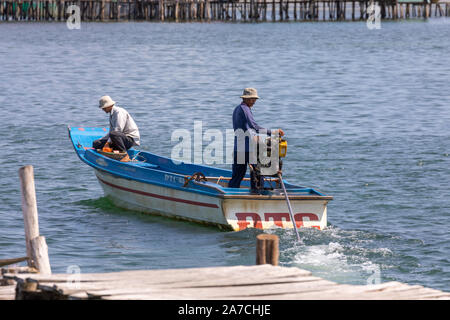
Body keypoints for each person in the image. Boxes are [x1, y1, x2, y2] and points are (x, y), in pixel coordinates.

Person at [228, 88, 284, 191]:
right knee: (258, 173)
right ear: (247, 99)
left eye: (255, 99)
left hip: (239, 147)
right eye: (253, 99)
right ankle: (258, 194)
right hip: (248, 148)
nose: (254, 102)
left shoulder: (237, 109)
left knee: (237, 175)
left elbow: (247, 129)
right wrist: (274, 132)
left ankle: (230, 192)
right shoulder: (245, 109)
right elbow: (254, 126)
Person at [92, 96, 140, 162]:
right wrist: (102, 140)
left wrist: (107, 143)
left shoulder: (119, 112)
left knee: (113, 134)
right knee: (96, 143)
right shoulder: (112, 114)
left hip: (129, 140)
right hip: (118, 139)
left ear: (109, 106)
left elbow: (117, 131)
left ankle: (124, 155)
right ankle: (115, 151)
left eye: (104, 108)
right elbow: (111, 132)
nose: (103, 110)